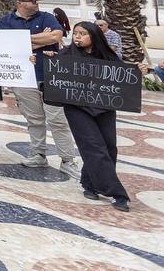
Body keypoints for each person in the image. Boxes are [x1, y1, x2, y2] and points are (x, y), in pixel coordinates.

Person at [55, 22, 146, 211]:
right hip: (77, 108)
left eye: (83, 34)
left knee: (108, 147)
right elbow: (52, 76)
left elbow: (124, 76)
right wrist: (37, 62)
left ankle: (89, 184)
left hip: (104, 107)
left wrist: (139, 71)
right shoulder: (66, 55)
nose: (77, 37)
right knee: (93, 147)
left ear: (94, 37)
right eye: (75, 33)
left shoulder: (107, 56)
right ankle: (116, 193)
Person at [1, 0, 80, 179]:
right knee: (34, 119)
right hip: (24, 77)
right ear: (19, 3)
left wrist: (23, 40)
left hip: (51, 76)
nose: (36, 3)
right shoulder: (6, 21)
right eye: (32, 0)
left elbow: (55, 37)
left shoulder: (46, 17)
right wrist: (39, 40)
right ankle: (38, 154)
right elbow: (6, 44)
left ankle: (68, 160)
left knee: (58, 120)